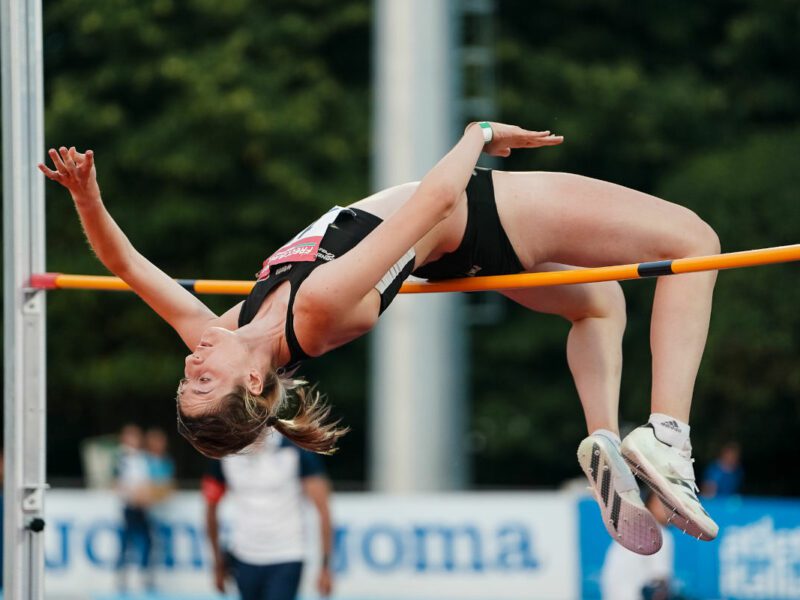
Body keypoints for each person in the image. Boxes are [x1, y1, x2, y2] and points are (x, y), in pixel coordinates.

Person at [40, 120, 721, 554]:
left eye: (186, 376)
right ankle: (666, 434)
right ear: (252, 382)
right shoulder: (319, 309)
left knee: (600, 306)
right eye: (202, 380)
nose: (191, 361)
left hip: (456, 251)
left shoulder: (227, 331)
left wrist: (85, 196)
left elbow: (126, 265)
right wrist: (477, 135)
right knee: (695, 242)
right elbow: (433, 201)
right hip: (479, 212)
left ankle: (604, 436)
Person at [203, 431, 333, 600]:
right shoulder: (225, 452)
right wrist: (218, 563)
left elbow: (323, 509)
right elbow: (210, 509)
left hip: (287, 554)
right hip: (244, 555)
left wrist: (325, 566)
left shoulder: (295, 448)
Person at [601, 491, 679, 600]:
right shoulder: (662, 535)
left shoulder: (630, 529)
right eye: (664, 505)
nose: (669, 511)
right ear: (650, 504)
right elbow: (659, 581)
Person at [114, 423, 155, 592]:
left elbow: (146, 481)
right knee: (128, 541)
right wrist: (132, 495)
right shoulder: (122, 458)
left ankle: (142, 574)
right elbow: (119, 482)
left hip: (141, 505)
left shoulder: (141, 458)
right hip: (130, 505)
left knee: (145, 541)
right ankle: (123, 575)